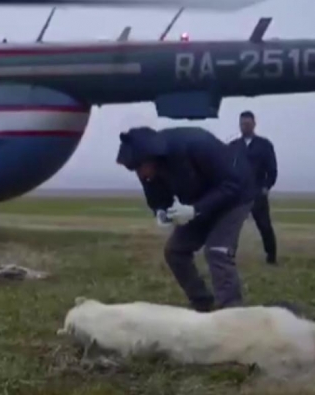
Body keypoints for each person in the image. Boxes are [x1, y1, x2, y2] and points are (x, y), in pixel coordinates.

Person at [116, 126, 256, 312]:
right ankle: (202, 304)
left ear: (151, 156)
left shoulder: (196, 144)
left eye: (140, 168)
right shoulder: (149, 169)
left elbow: (232, 184)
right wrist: (161, 212)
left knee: (217, 250)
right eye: (134, 170)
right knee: (175, 251)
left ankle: (231, 310)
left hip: (235, 198)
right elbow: (157, 198)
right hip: (198, 203)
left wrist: (195, 210)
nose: (140, 175)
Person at [230, 111, 279, 265]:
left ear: (254, 124)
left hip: (257, 192)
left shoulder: (264, 145)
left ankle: (271, 258)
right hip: (238, 193)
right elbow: (227, 169)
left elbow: (272, 169)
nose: (245, 126)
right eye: (242, 124)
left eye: (248, 124)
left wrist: (266, 187)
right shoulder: (233, 146)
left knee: (264, 226)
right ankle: (229, 256)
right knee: (232, 226)